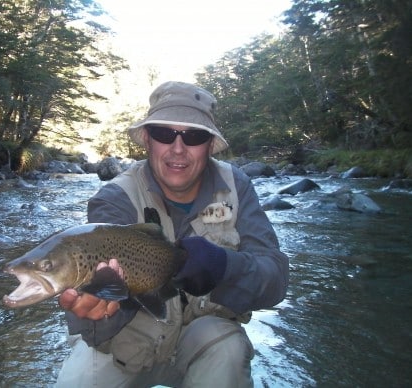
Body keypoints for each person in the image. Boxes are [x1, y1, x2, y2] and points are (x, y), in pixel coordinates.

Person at [55, 81, 289, 387]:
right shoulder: (115, 198)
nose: (178, 148)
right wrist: (98, 306)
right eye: (165, 134)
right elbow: (97, 301)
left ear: (209, 144)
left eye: (194, 136)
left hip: (205, 343)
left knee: (228, 349)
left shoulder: (237, 187)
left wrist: (225, 267)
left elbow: (276, 280)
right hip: (130, 345)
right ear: (148, 141)